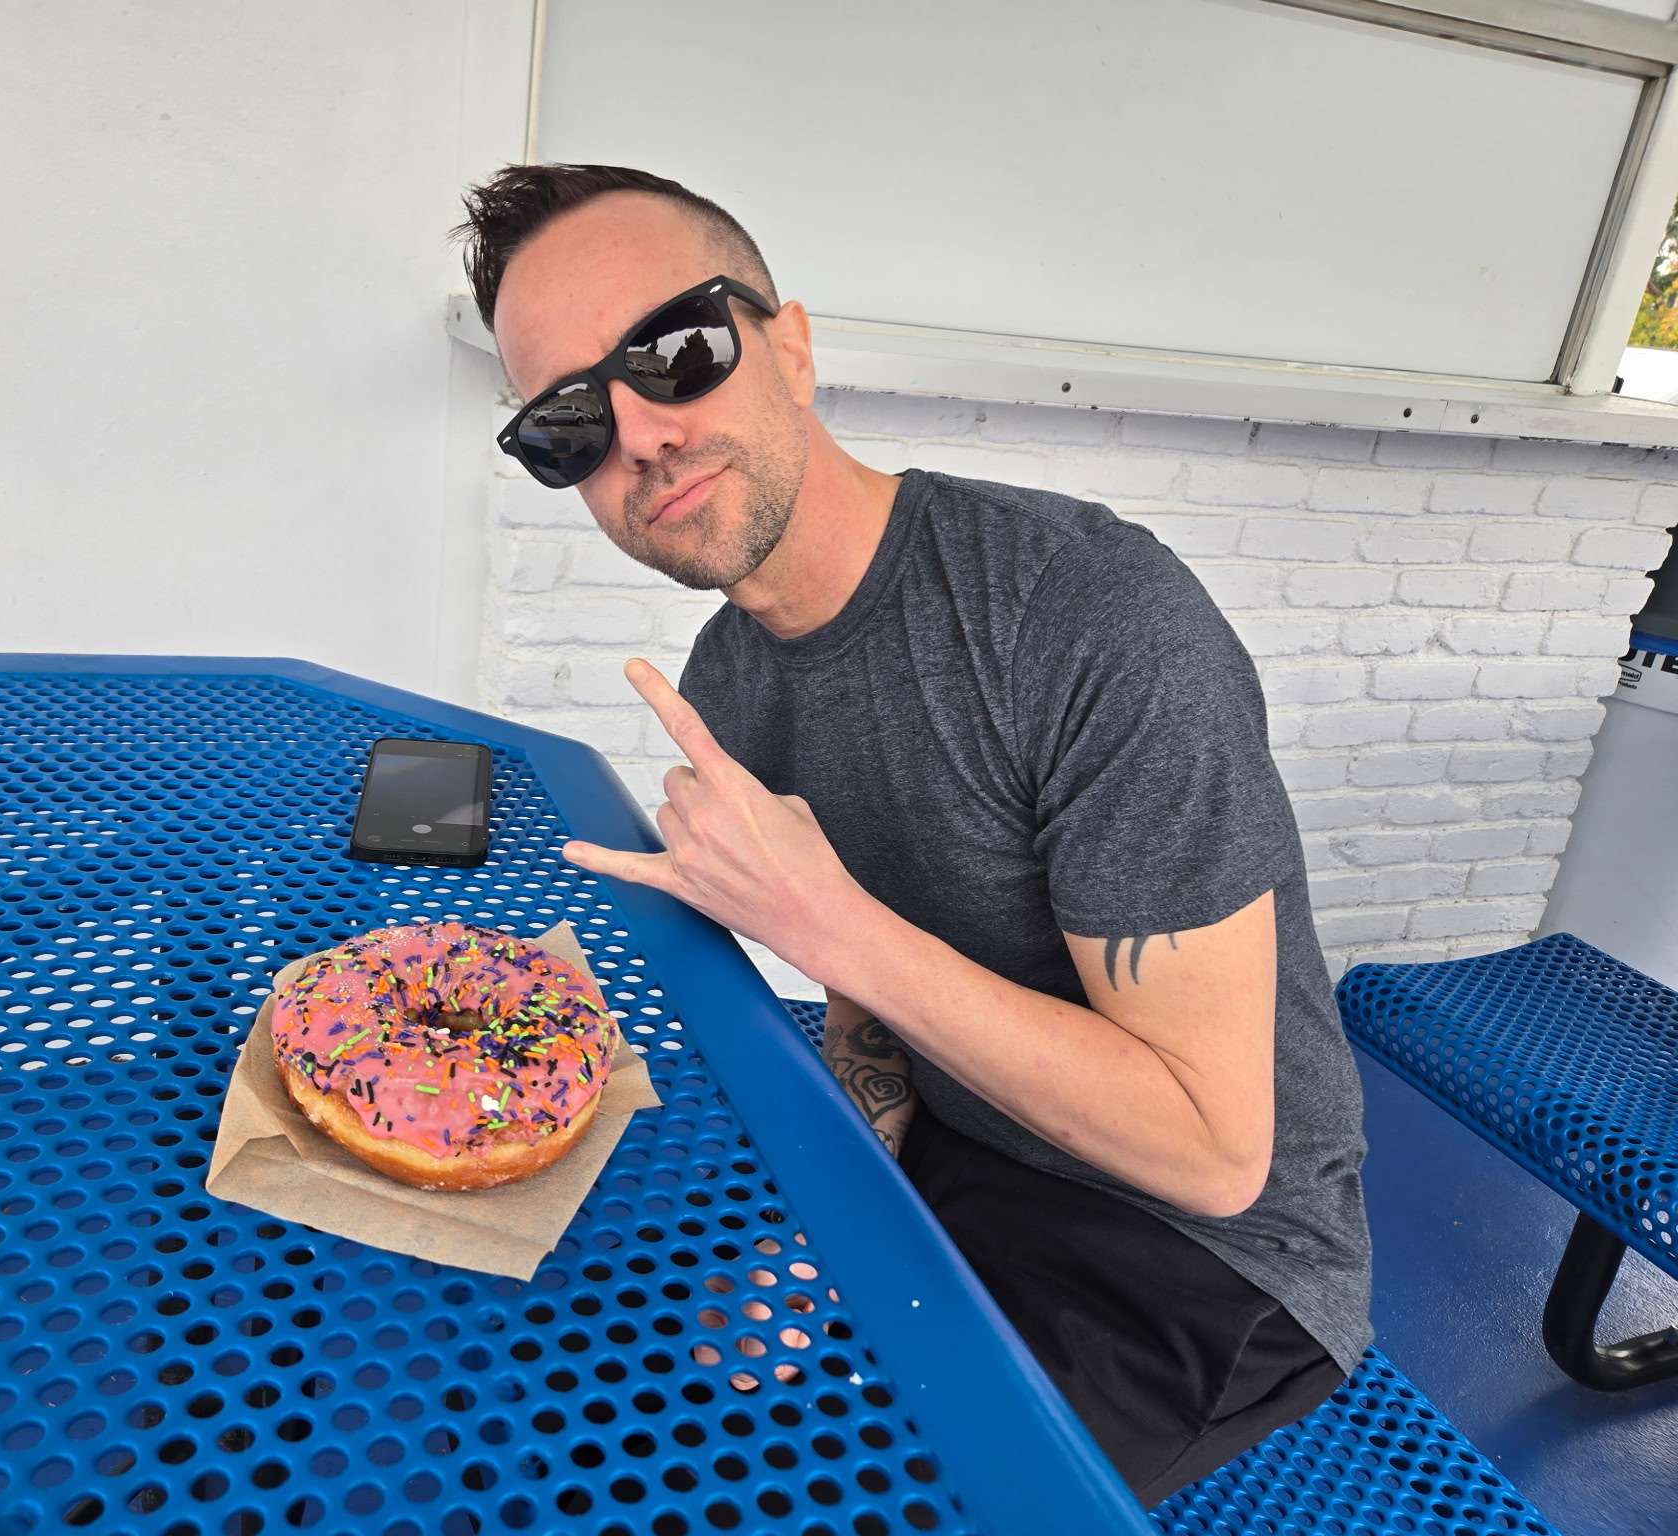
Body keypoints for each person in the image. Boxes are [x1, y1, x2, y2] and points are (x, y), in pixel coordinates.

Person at [453, 163, 1371, 1506]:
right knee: (575, 1417)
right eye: (569, 424)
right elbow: (869, 1017)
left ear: (795, 347)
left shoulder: (1084, 617)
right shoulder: (735, 679)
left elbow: (1215, 1150)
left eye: (679, 352)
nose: (639, 434)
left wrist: (829, 925)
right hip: (958, 1160)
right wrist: (818, 1223)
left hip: (1199, 1261)